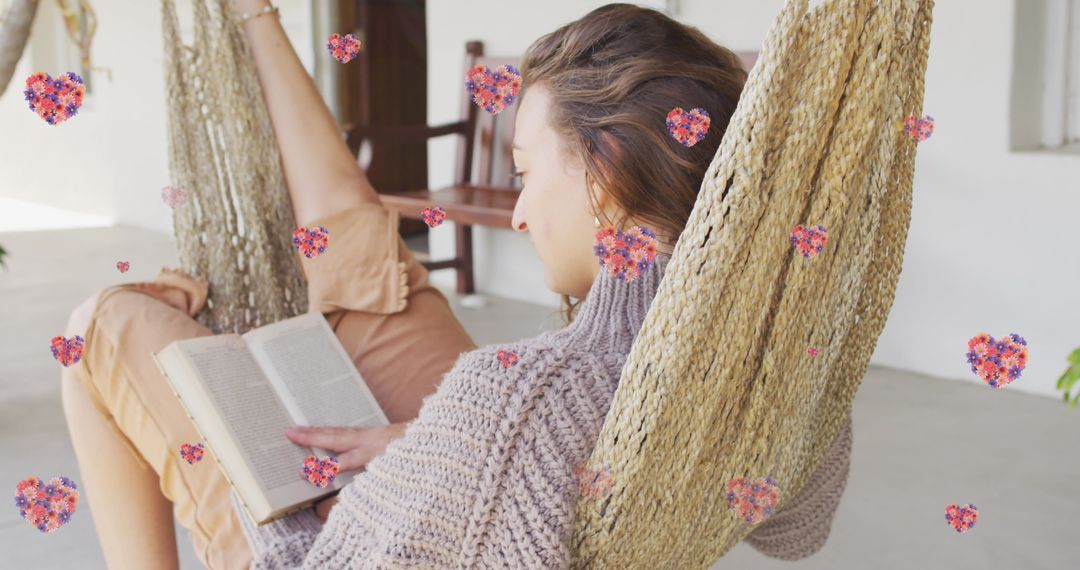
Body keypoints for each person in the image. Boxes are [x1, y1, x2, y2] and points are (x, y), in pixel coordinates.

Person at [60, 2, 854, 569]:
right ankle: (254, 13)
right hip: (484, 470)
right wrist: (426, 453)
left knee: (100, 324)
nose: (516, 216)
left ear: (606, 179)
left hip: (338, 536)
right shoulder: (777, 361)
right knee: (365, 251)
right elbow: (800, 528)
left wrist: (280, 481)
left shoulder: (517, 403)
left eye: (524, 172)